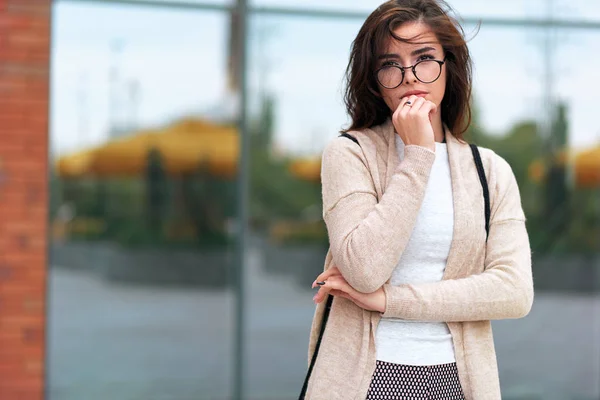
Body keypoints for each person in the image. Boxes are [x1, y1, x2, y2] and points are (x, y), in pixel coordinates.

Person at [304, 1, 534, 399]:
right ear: (375, 81)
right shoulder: (350, 153)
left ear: (450, 66)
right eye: (390, 64)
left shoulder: (490, 171)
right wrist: (420, 155)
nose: (410, 77)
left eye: (425, 58)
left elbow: (513, 291)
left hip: (460, 382)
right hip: (363, 380)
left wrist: (389, 301)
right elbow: (362, 268)